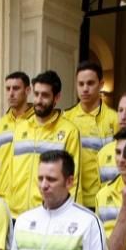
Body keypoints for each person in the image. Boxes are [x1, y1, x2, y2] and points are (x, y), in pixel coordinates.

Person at [8, 70, 82, 217]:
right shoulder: (20, 128)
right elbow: (10, 172)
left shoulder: (69, 131)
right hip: (17, 215)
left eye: (45, 95)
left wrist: (69, 215)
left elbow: (74, 180)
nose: (39, 100)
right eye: (36, 94)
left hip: (50, 214)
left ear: (57, 98)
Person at [64, 61, 118, 210]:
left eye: (90, 83)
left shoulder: (115, 119)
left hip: (106, 198)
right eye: (81, 84)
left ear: (101, 84)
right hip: (73, 197)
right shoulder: (65, 118)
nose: (85, 89)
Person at [0, 71, 32, 200]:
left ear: (27, 90)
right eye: (8, 89)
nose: (11, 93)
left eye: (16, 88)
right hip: (1, 196)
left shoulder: (37, 123)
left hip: (27, 196)